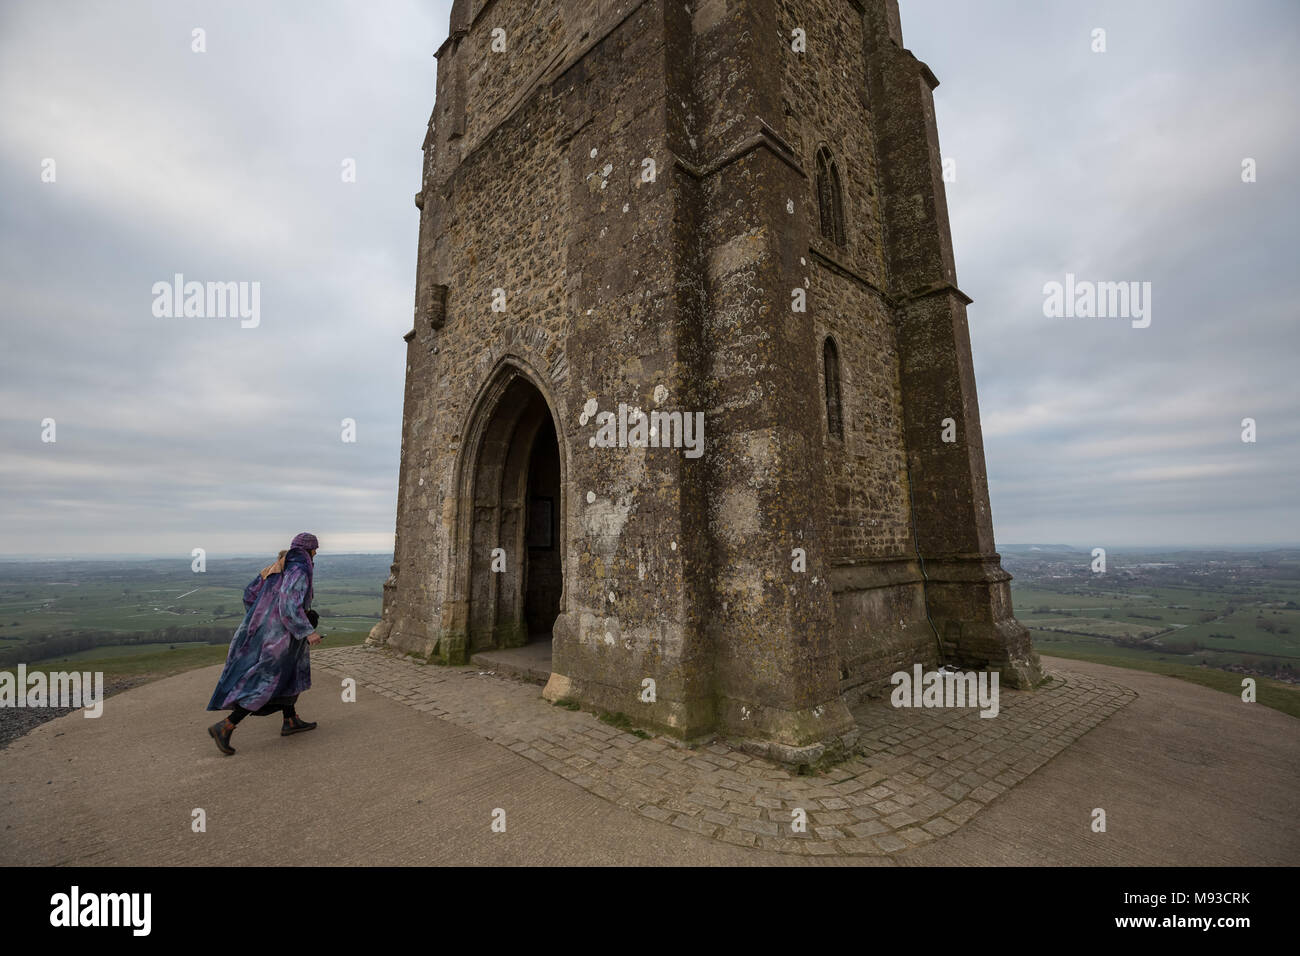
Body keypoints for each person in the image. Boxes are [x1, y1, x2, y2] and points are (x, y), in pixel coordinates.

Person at [206, 532, 322, 755]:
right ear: (308, 550)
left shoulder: (276, 567)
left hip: (271, 633)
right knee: (266, 681)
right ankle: (226, 726)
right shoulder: (299, 569)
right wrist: (307, 631)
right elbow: (289, 605)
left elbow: (249, 595)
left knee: (290, 676)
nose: (316, 553)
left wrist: (261, 619)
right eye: (315, 549)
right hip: (282, 637)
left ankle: (290, 720)